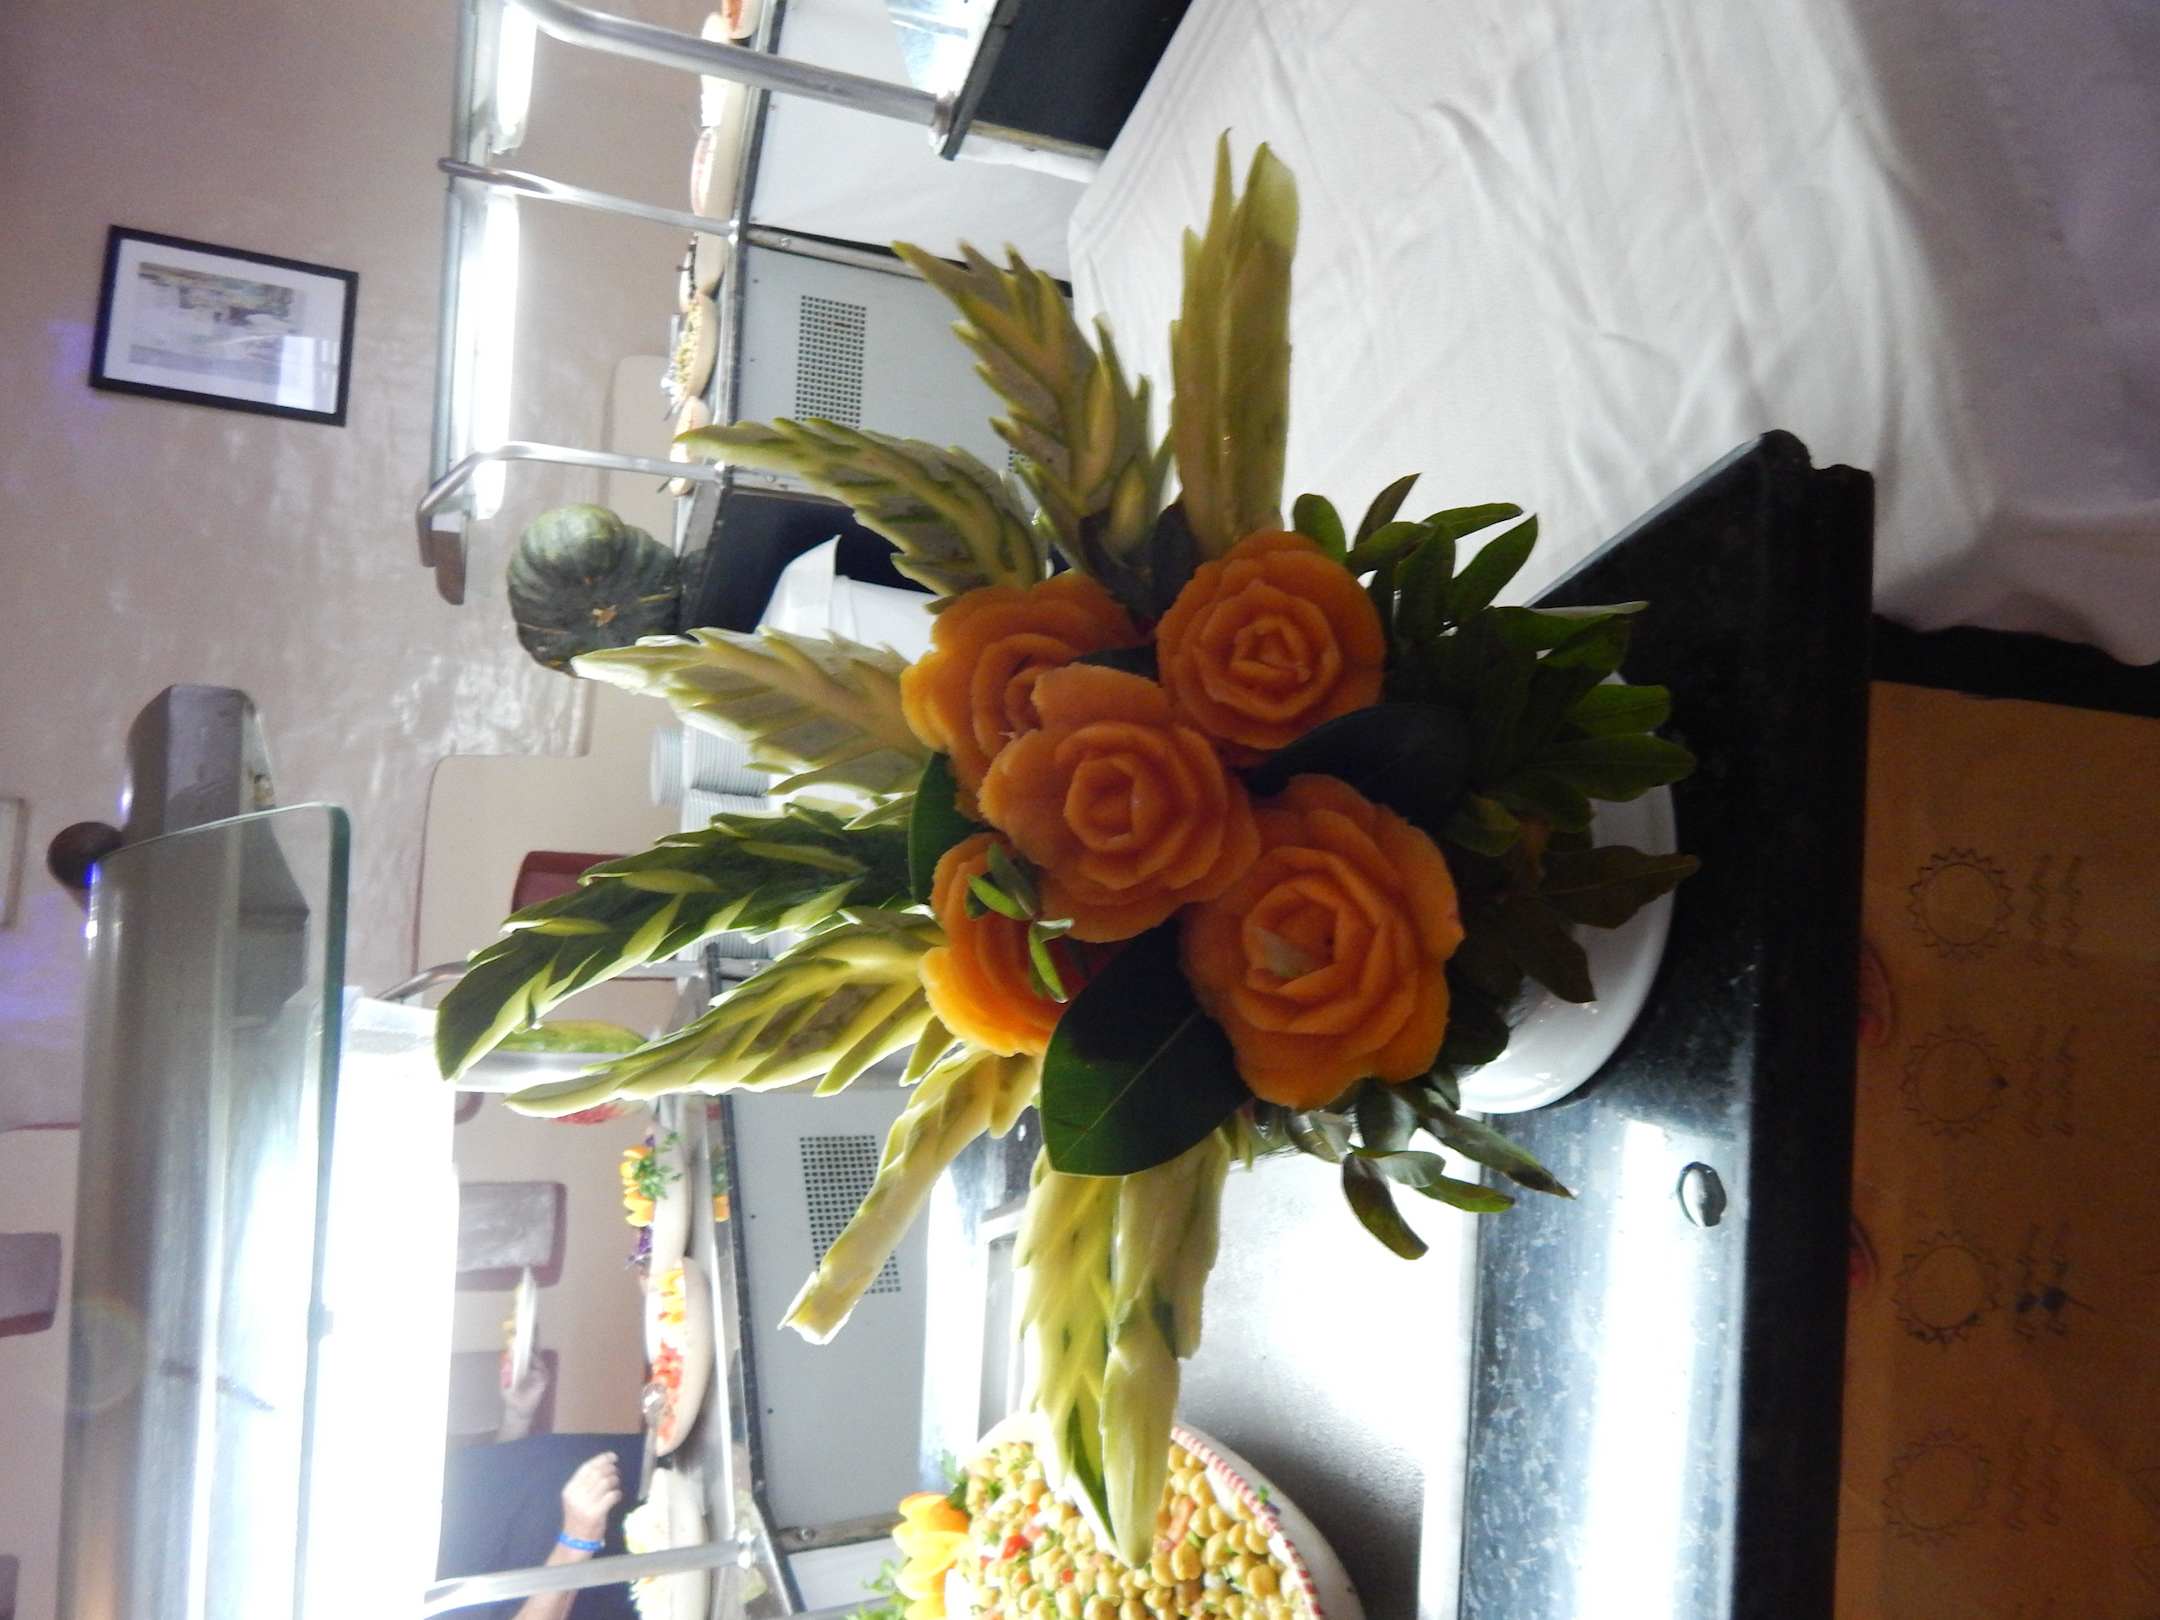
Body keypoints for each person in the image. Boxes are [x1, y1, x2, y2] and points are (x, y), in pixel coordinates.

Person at [437, 1364, 642, 1620]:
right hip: (614, 1568)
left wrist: (516, 1418)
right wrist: (574, 1543)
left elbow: (473, 1529)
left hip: (616, 1470)